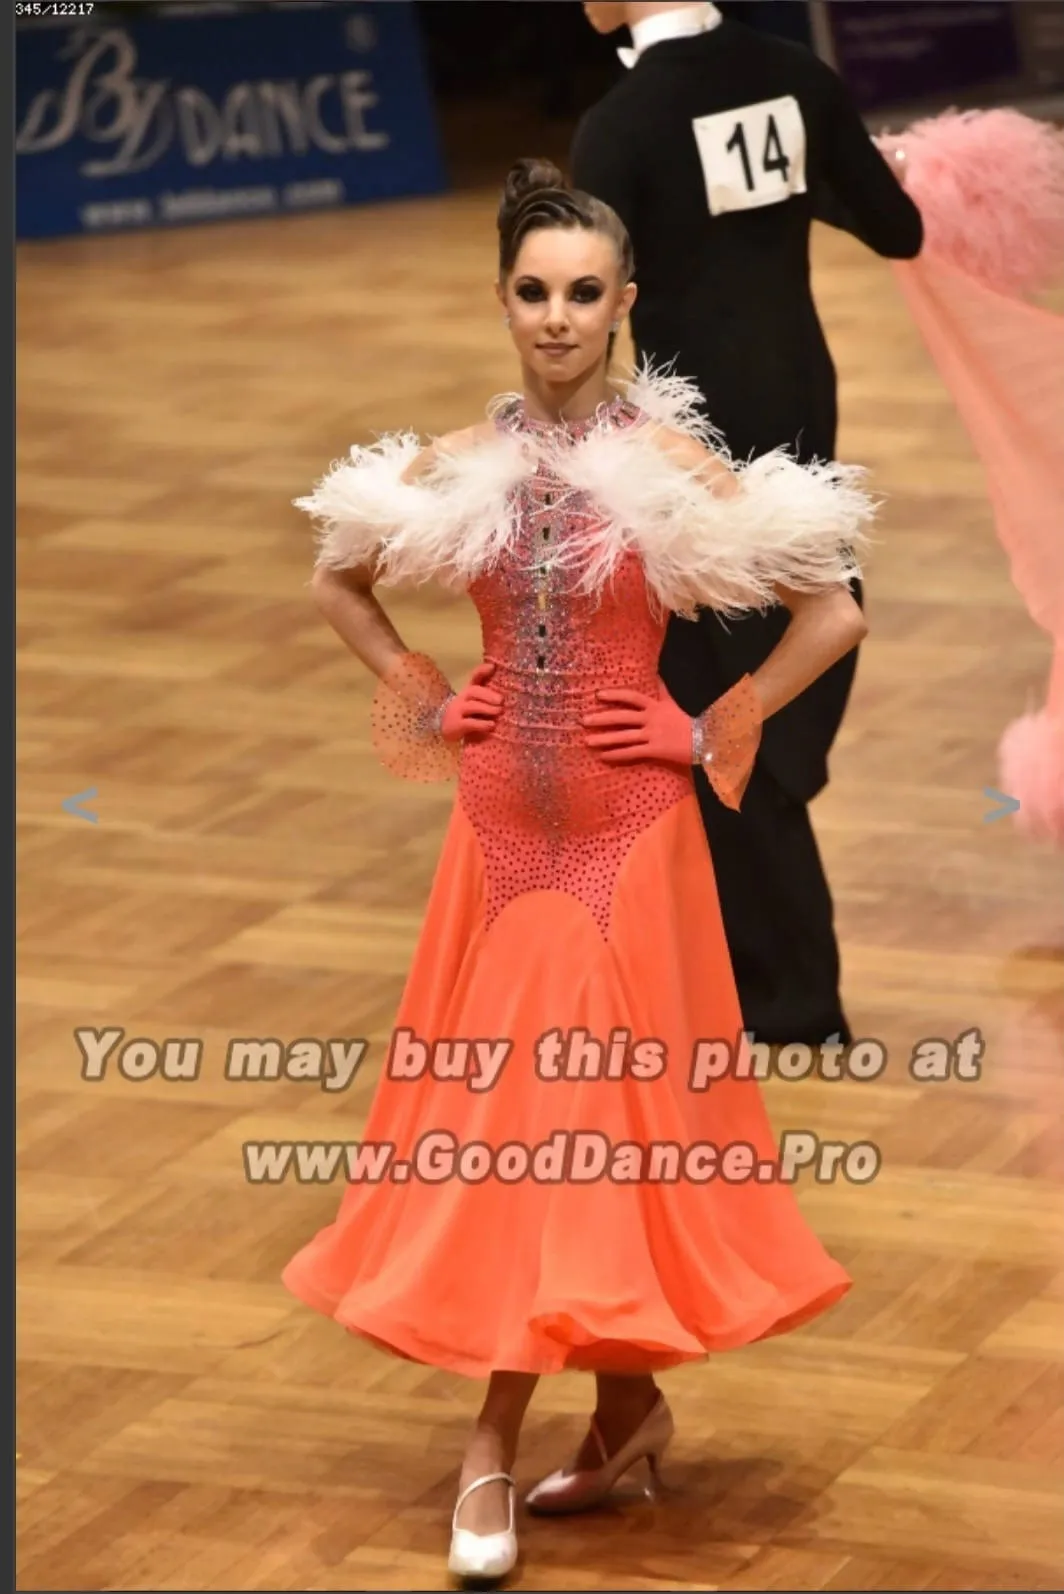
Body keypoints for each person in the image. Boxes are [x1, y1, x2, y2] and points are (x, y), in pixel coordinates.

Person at [284, 158, 872, 1586]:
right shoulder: (459, 460)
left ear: (624, 305)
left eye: (583, 293)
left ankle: (493, 1438)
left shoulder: (668, 464)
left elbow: (832, 612)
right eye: (533, 292)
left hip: (625, 834)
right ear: (503, 301)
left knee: (561, 1121)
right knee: (550, 1126)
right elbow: (335, 576)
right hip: (495, 832)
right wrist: (429, 696)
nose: (557, 317)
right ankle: (623, 1411)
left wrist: (705, 722)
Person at [572, 1, 924, 1046]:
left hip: (697, 449)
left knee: (721, 715)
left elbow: (583, 310)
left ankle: (786, 1003)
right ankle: (757, 983)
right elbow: (896, 227)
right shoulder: (793, 76)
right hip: (805, 418)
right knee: (760, 685)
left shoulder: (622, 122)